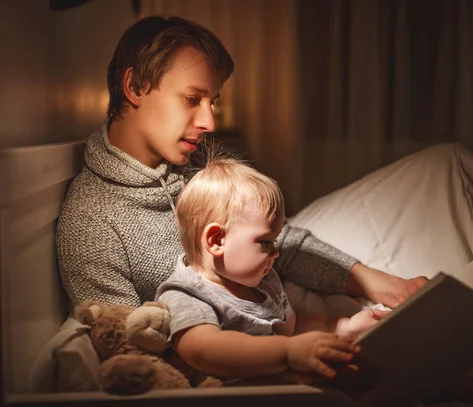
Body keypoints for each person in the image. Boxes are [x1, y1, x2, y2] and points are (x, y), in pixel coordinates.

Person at [56, 16, 427, 312]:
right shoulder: (91, 223)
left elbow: (280, 241)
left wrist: (388, 286)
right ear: (135, 86)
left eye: (212, 102)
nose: (210, 122)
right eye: (191, 99)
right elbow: (130, 353)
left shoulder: (196, 162)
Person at [155, 155, 388, 381]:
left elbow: (291, 327)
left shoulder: (262, 283)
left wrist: (342, 328)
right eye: (265, 241)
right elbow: (203, 350)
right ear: (217, 241)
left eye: (275, 241)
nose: (275, 253)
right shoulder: (186, 294)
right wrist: (287, 352)